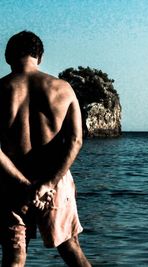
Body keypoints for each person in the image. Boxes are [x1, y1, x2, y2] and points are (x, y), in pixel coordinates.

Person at [0, 31, 91, 266]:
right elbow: (76, 141)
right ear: (39, 57)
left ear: (7, 56)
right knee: (71, 249)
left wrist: (25, 185)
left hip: (11, 184)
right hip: (54, 182)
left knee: (14, 257)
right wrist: (47, 184)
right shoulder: (63, 89)